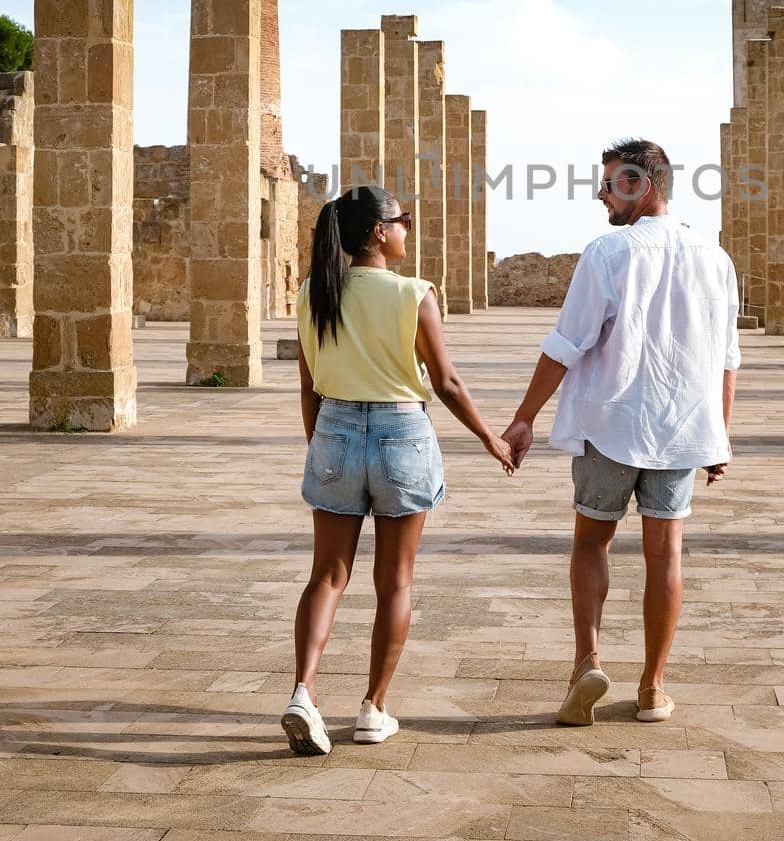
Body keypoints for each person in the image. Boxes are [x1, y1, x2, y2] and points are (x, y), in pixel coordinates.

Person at [503, 138, 738, 726]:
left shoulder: (608, 252)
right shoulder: (716, 258)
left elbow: (567, 343)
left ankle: (587, 662)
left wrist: (525, 415)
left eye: (611, 184)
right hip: (683, 426)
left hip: (610, 424)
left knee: (591, 541)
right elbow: (726, 359)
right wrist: (720, 436)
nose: (602, 195)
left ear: (644, 186)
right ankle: (654, 688)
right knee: (666, 555)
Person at [282, 185, 514, 757]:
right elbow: (446, 382)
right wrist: (490, 437)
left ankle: (303, 693)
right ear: (379, 233)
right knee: (396, 582)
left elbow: (309, 386)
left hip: (334, 429)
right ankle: (373, 708)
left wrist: (322, 446)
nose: (408, 229)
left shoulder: (315, 291)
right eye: (402, 220)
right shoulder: (414, 294)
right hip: (401, 435)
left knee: (327, 577)